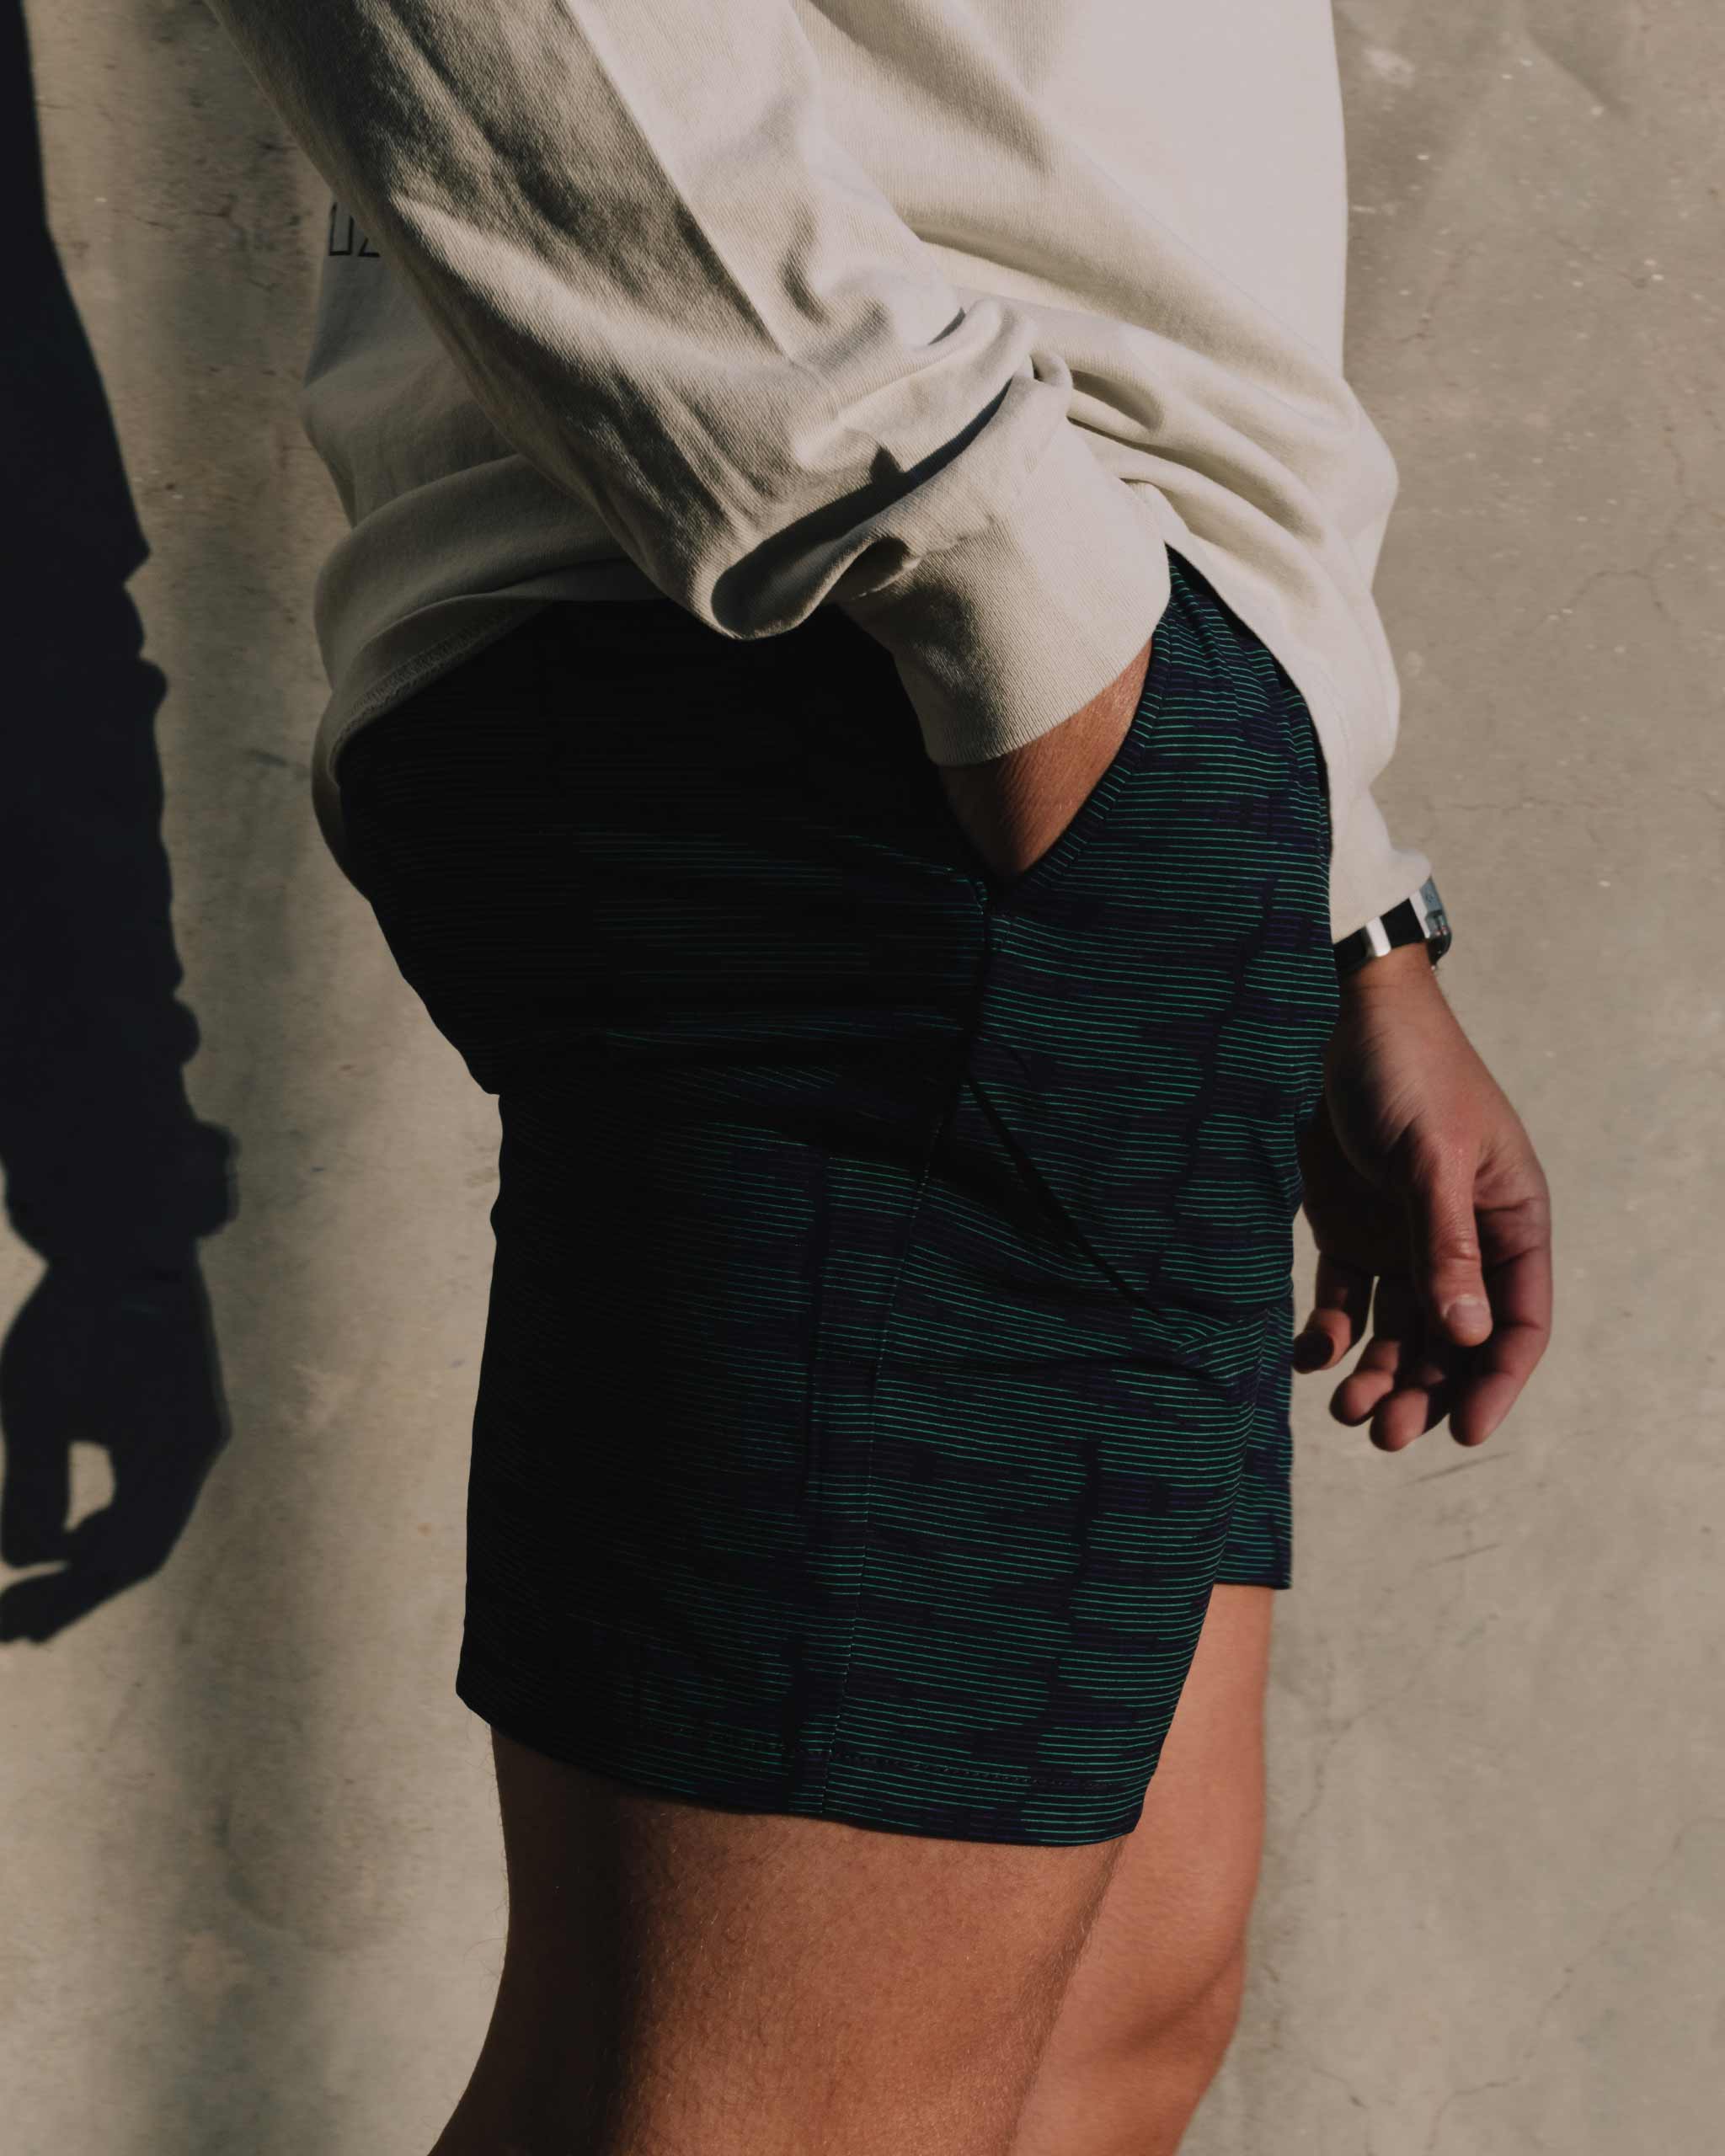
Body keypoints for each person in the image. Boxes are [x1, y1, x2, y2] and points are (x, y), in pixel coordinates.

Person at [203, 3, 1554, 2149]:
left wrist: (1334, 899)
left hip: (1085, 753)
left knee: (1105, 2029)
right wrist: (968, 539)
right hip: (864, 703)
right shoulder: (948, 580)